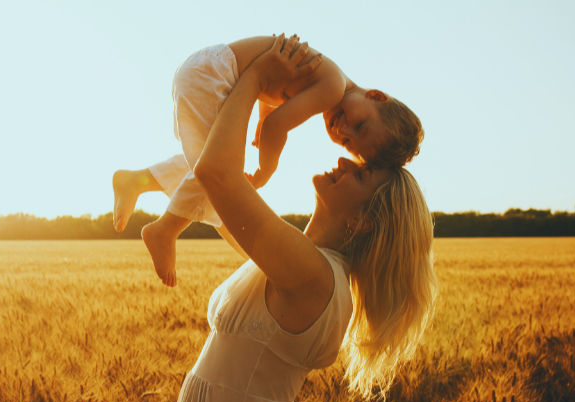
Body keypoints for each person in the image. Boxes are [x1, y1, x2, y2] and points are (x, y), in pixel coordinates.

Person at [168, 35, 439, 402]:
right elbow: (216, 203)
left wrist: (258, 75)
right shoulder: (302, 261)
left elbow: (216, 174)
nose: (344, 161)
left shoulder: (313, 275)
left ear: (361, 221)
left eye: (360, 173)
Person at [112, 34, 424, 286]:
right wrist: (266, 168)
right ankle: (165, 229)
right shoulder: (332, 88)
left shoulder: (330, 77)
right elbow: (279, 125)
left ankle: (134, 180)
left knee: (207, 163)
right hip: (214, 76)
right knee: (218, 171)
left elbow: (275, 91)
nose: (342, 129)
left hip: (207, 70)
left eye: (347, 142)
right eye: (360, 126)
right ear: (377, 96)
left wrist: (261, 118)